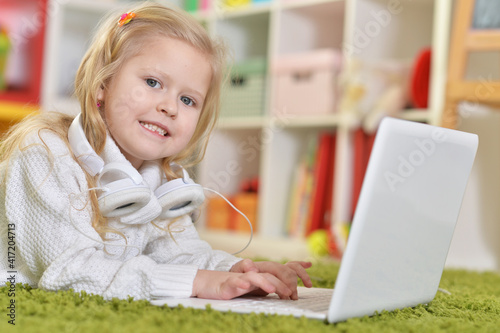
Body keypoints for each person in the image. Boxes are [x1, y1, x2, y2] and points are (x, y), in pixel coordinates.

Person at [0, 2, 312, 301]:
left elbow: (181, 253)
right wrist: (199, 282)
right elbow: (69, 271)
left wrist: (237, 272)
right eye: (153, 82)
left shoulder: (161, 177)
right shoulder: (44, 153)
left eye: (188, 100)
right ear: (103, 83)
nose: (169, 107)